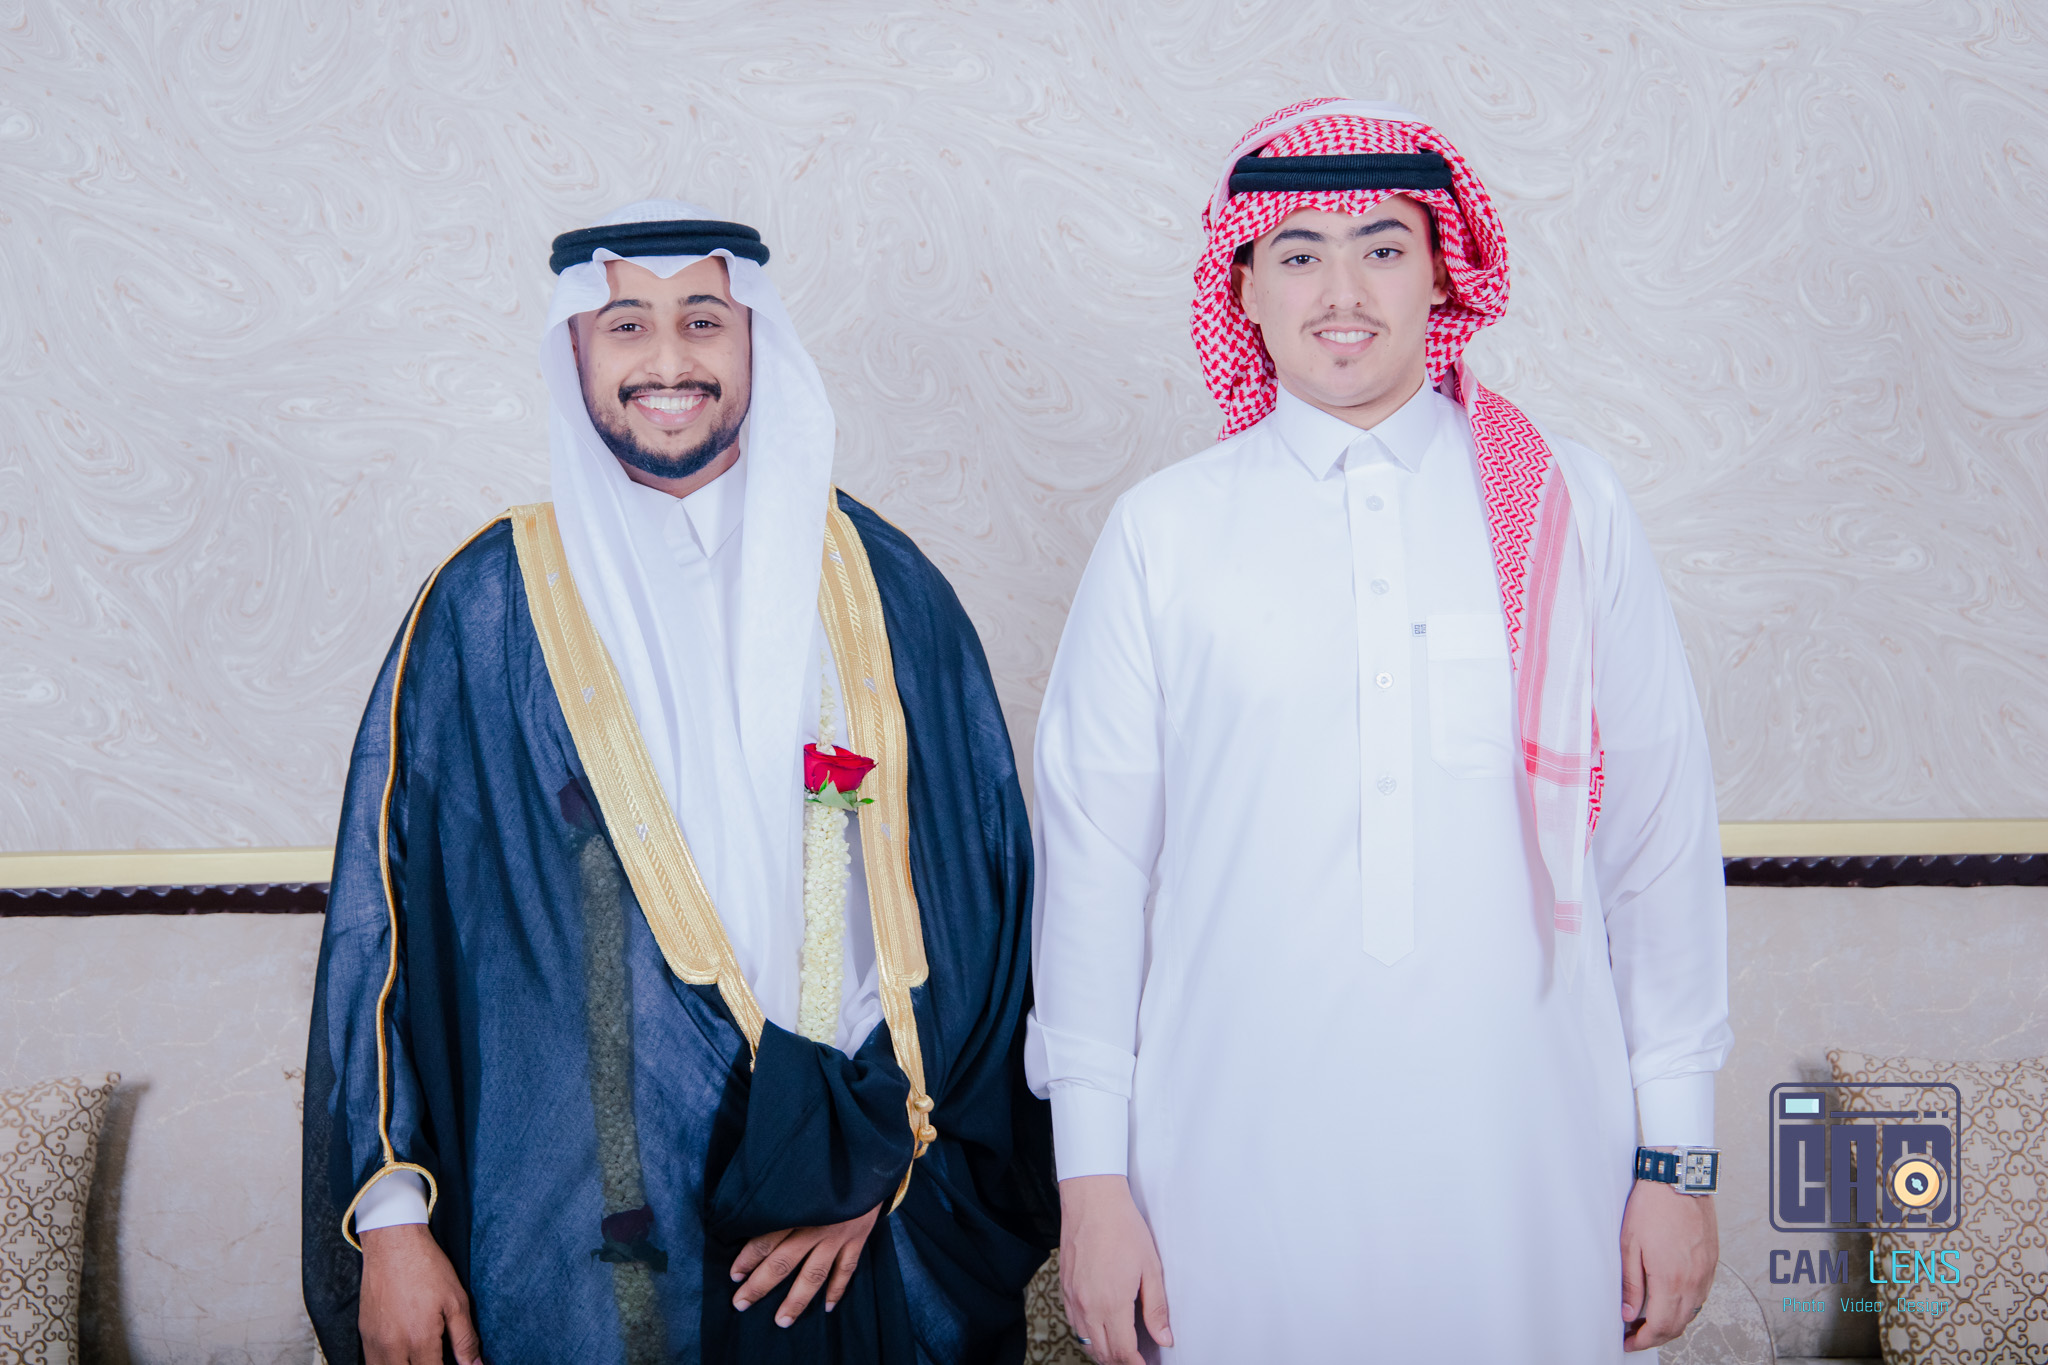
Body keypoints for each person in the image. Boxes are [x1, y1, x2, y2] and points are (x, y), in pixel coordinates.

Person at [1027, 100, 1733, 1363]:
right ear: (1242, 286)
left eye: (1381, 247)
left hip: (1529, 1163)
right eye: (1298, 252)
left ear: (1442, 271)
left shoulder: (1564, 507)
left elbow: (1655, 842)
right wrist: (1090, 1184)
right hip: (1229, 1168)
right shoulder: (1163, 533)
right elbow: (1093, 871)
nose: (1340, 292)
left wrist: (1675, 1160)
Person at [303, 200, 1054, 1365]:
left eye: (702, 320)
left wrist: (870, 1153)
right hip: (575, 1220)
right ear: (574, 351)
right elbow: (388, 923)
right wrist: (393, 1224)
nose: (666, 360)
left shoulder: (880, 589)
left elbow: (973, 907)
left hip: (852, 1211)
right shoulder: (486, 609)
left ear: (754, 342)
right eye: (625, 327)